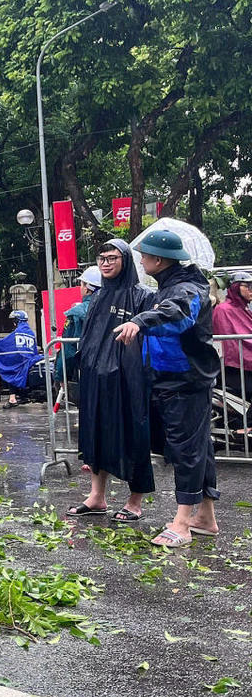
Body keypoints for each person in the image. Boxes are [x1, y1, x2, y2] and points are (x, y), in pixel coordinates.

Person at [114, 228, 220, 548]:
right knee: (197, 448)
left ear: (159, 260)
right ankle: (205, 518)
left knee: (186, 450)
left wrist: (141, 321)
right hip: (172, 380)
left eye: (145, 255)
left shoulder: (186, 289)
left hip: (185, 381)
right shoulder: (169, 286)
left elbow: (177, 315)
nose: (142, 260)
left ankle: (182, 522)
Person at [66, 240, 155, 521]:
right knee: (96, 432)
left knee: (133, 434)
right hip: (95, 377)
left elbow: (149, 336)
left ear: (125, 260)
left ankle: (135, 501)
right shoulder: (99, 296)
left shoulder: (143, 296)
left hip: (129, 380)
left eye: (112, 258)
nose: (105, 263)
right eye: (101, 258)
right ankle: (97, 496)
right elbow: (91, 336)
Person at [52, 266, 102, 390]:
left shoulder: (76, 313)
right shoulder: (113, 308)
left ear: (87, 288)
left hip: (85, 371)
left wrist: (61, 375)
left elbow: (68, 350)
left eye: (81, 284)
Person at [212, 271, 252, 409]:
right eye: (247, 286)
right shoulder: (223, 310)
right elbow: (231, 344)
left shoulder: (244, 308)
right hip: (234, 368)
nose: (250, 290)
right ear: (235, 287)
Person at [0, 310, 43, 407]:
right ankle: (21, 395)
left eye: (14, 321)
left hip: (21, 361)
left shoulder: (18, 333)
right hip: (29, 359)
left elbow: (6, 343)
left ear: (17, 321)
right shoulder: (30, 333)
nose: (13, 323)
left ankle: (12, 399)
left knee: (9, 370)